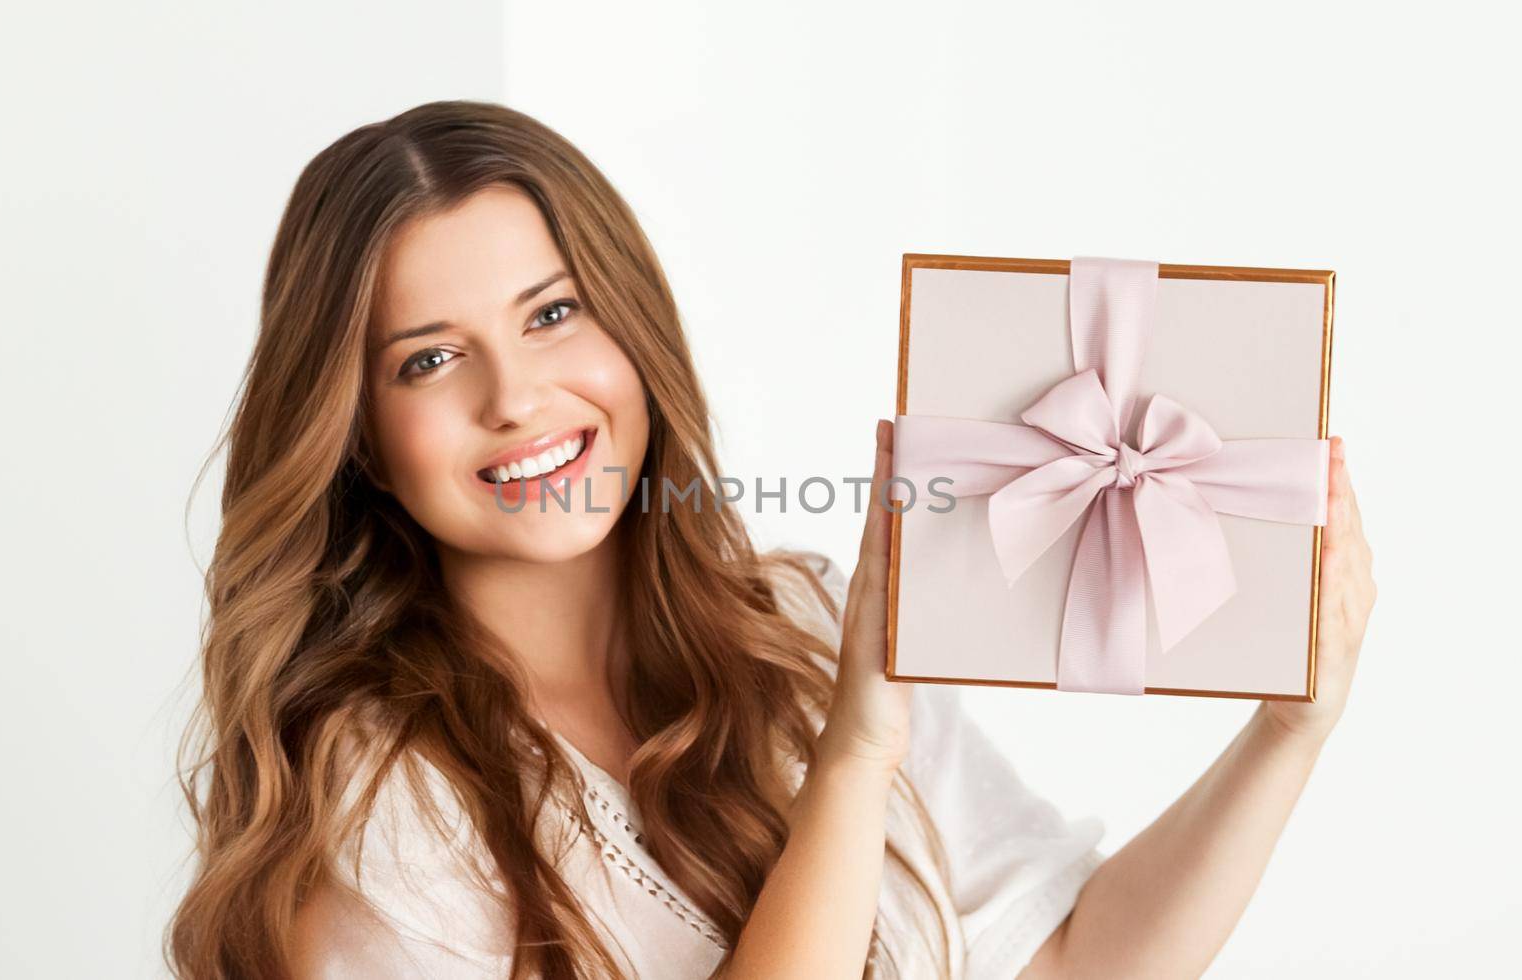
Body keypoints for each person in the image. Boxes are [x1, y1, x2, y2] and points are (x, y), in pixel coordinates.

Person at [165, 100, 1377, 980]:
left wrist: (1285, 730)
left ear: (633, 329)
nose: (516, 395)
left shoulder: (799, 628)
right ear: (361, 436)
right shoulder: (379, 807)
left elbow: (1069, 961)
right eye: (428, 357)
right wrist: (850, 764)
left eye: (552, 314)